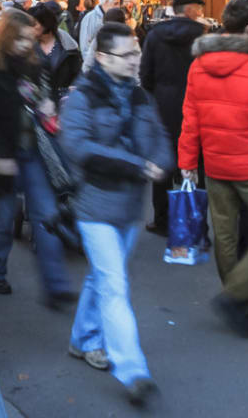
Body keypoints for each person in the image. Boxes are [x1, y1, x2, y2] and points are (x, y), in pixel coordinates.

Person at [60, 22, 172, 407]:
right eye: (128, 55)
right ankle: (132, 369)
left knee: (103, 276)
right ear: (104, 58)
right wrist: (136, 165)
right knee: (113, 284)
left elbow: (159, 137)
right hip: (95, 204)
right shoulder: (82, 97)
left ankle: (82, 338)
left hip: (129, 206)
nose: (136, 60)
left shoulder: (140, 96)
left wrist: (158, 161)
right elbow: (75, 145)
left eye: (137, 52)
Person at [177, 0, 248, 336]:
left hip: (215, 163)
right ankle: (236, 295)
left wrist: (187, 162)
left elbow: (190, 117)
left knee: (224, 233)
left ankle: (238, 301)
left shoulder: (200, 65)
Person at [0, 8, 76, 304]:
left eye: (26, 38)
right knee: (2, 219)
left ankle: (55, 284)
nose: (24, 44)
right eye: (18, 39)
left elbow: (43, 95)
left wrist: (47, 107)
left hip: (32, 151)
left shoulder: (31, 62)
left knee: (46, 215)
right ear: (6, 38)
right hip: (0, 153)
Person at [139, 0, 206, 235]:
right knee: (195, 162)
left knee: (163, 164)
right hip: (196, 105)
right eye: (197, 8)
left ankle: (162, 219)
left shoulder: (155, 35)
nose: (199, 13)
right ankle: (196, 219)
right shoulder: (204, 35)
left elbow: (145, 73)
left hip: (163, 105)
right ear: (189, 10)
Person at [30, 2, 81, 95]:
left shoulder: (67, 46)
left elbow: (77, 75)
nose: (29, 28)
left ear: (45, 23)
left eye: (34, 24)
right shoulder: (27, 46)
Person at [80, 0, 122, 70]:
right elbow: (85, 45)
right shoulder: (90, 18)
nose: (118, 7)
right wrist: (91, 67)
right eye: (115, 3)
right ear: (106, 2)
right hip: (96, 68)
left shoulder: (116, 16)